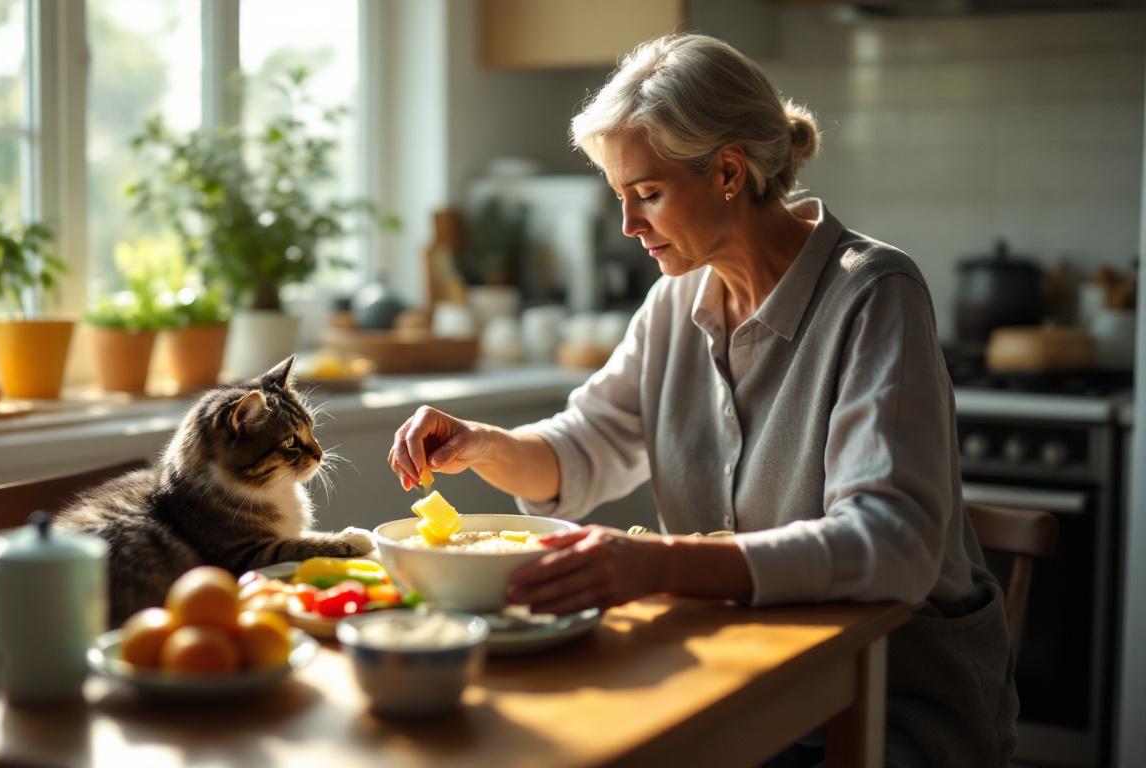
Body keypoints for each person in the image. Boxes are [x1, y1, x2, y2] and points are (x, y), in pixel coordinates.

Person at [387, 33, 1017, 768]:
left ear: (727, 172)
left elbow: (891, 546)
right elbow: (585, 446)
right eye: (620, 198)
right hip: (746, 686)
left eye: (648, 194)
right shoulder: (674, 300)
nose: (629, 226)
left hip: (883, 711)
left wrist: (660, 564)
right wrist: (484, 444)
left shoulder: (873, 293)